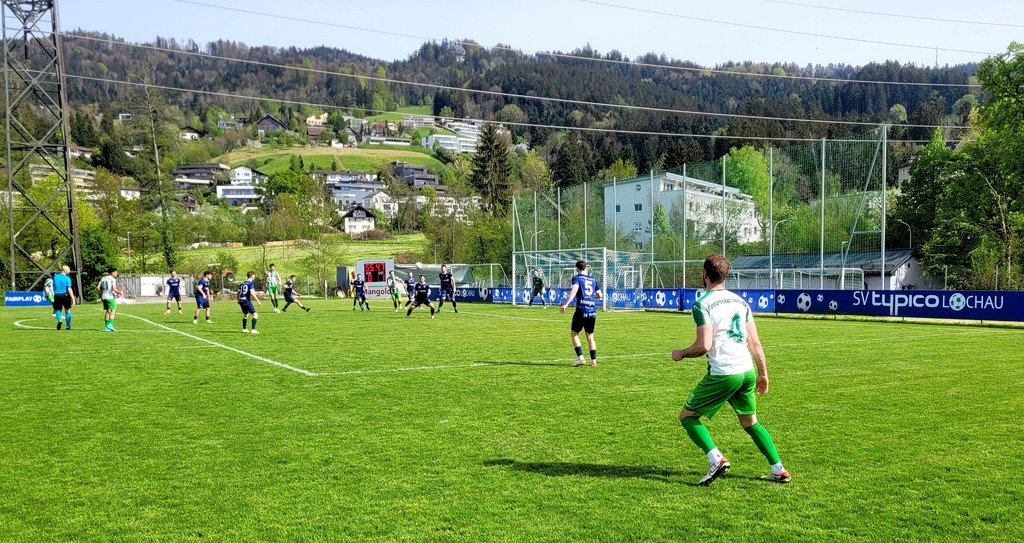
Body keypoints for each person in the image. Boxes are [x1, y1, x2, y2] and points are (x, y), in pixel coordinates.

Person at [671, 254, 789, 487]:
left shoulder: (701, 304)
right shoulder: (740, 302)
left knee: (687, 416)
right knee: (751, 423)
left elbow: (704, 345)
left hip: (725, 372)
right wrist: (763, 373)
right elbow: (755, 344)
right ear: (725, 275)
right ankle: (779, 470)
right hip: (746, 371)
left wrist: (682, 353)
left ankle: (716, 459)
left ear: (704, 274)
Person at [560, 260, 601, 367]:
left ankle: (581, 358)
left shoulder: (577, 278)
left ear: (577, 269)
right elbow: (600, 295)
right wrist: (591, 297)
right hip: (592, 310)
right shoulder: (593, 279)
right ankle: (593, 361)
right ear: (586, 268)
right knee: (590, 336)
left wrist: (566, 304)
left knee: (574, 333)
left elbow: (575, 289)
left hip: (581, 309)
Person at [97, 268, 123, 332]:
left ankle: (106, 327)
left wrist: (101, 294)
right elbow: (114, 289)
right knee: (113, 310)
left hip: (104, 297)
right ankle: (110, 325)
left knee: (108, 311)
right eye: (116, 272)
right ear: (112, 273)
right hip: (110, 297)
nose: (116, 273)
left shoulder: (103, 278)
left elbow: (98, 287)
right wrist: (120, 292)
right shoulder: (112, 279)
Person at [52, 265, 75, 330]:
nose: (69, 271)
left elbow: (53, 286)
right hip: (65, 295)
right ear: (65, 270)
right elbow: (69, 288)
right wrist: (72, 298)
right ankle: (68, 326)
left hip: (57, 295)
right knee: (67, 310)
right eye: (68, 270)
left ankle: (59, 320)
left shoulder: (55, 277)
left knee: (57, 309)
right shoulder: (67, 278)